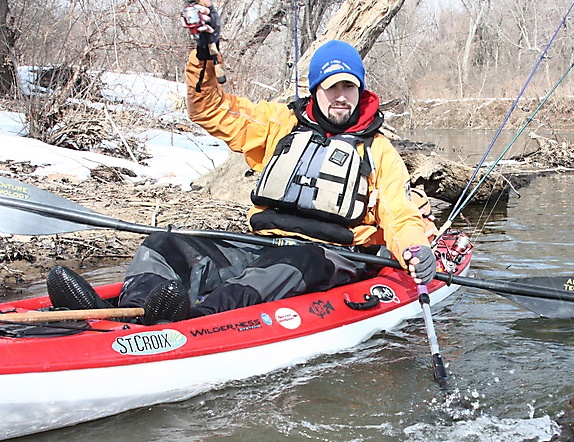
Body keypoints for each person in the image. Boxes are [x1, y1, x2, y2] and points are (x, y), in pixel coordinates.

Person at [46, 1, 435, 325]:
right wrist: (203, 56)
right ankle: (127, 311)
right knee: (165, 243)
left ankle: (194, 320)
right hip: (260, 244)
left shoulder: (379, 151)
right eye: (331, 87)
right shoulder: (279, 124)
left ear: (360, 90)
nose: (340, 98)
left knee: (292, 261)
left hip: (331, 257)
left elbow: (400, 217)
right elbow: (210, 110)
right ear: (316, 90)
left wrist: (415, 251)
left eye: (348, 87)